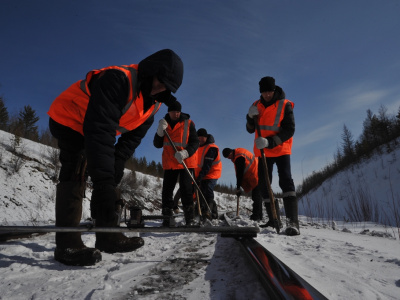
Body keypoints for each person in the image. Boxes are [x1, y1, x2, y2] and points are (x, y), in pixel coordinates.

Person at [47, 49, 184, 266]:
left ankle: (108, 235)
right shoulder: (118, 80)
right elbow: (100, 130)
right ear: (151, 70)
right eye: (160, 81)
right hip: (69, 118)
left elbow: (130, 140)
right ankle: (67, 243)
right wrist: (103, 183)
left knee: (110, 175)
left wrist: (116, 166)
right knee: (76, 167)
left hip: (95, 127)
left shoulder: (154, 103)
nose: (161, 88)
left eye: (167, 86)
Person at [246, 76, 299, 236]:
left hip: (281, 149)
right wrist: (249, 117)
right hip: (263, 152)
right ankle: (273, 219)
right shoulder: (256, 105)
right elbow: (249, 129)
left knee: (286, 181)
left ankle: (292, 223)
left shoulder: (285, 104)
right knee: (264, 185)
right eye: (264, 92)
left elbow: (290, 129)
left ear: (274, 90)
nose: (267, 94)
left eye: (269, 91)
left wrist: (270, 142)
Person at [153, 100, 199, 226]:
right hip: (170, 163)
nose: (176, 114)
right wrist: (159, 132)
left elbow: (195, 142)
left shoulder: (188, 123)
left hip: (185, 161)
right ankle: (167, 217)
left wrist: (186, 153)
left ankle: (189, 218)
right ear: (169, 111)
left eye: (178, 111)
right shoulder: (164, 124)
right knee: (167, 191)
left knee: (186, 190)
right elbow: (157, 144)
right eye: (174, 111)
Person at [222, 148, 263, 220]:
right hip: (256, 174)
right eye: (227, 158)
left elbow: (240, 174)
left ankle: (256, 216)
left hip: (256, 175)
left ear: (231, 152)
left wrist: (238, 188)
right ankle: (259, 216)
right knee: (257, 196)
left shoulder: (239, 157)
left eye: (228, 156)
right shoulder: (239, 153)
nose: (229, 158)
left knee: (256, 197)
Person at [194, 128, 222, 220]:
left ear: (206, 137)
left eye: (202, 137)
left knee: (208, 189)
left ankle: (208, 211)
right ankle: (203, 211)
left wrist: (199, 177)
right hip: (202, 174)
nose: (200, 139)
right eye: (199, 137)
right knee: (201, 192)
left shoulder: (212, 148)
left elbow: (207, 165)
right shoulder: (197, 147)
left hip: (212, 173)